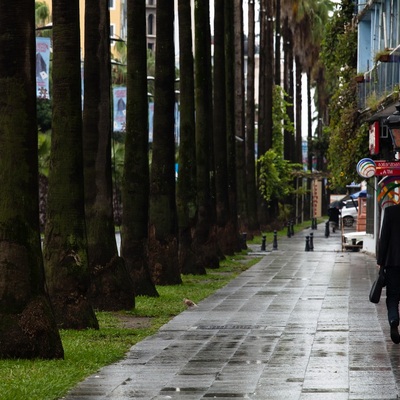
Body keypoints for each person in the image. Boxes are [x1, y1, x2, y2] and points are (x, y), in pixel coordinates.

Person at [377, 203, 400, 344]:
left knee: (392, 296)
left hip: (393, 262)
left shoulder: (390, 211)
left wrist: (381, 262)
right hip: (393, 262)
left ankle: (393, 319)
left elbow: (384, 238)